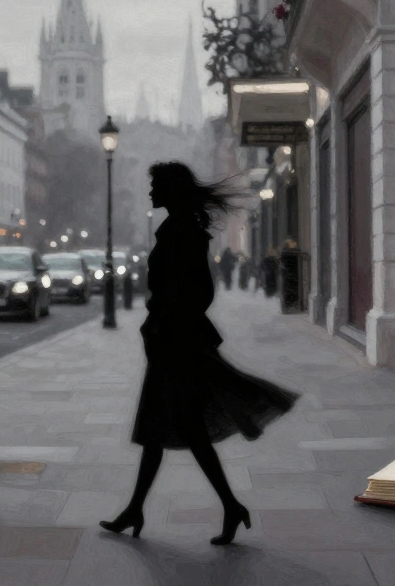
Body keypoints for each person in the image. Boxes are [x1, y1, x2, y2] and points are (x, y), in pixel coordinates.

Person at [100, 162, 298, 546]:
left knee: (182, 426)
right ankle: (139, 508)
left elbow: (198, 291)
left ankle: (226, 506)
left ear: (171, 190)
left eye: (156, 186)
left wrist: (165, 323)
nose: (151, 192)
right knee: (158, 427)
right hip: (171, 340)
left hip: (176, 344)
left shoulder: (182, 232)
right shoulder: (177, 228)